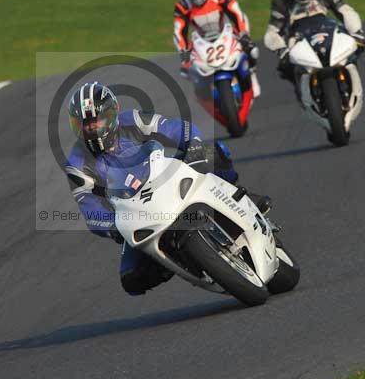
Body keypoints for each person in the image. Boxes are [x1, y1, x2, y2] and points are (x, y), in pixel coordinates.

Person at [64, 81, 241, 295]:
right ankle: (178, 259)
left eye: (96, 119)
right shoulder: (77, 163)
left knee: (214, 152)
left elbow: (178, 129)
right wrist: (111, 227)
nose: (91, 127)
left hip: (168, 178)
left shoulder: (133, 120)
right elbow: (89, 208)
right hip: (137, 210)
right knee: (131, 279)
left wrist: (192, 144)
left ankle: (237, 198)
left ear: (113, 113)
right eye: (85, 123)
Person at [263, 0, 365, 82]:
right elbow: (271, 33)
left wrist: (357, 32)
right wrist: (282, 51)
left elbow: (345, 11)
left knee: (357, 47)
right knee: (285, 68)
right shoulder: (281, 1)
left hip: (328, 28)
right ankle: (302, 90)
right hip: (297, 37)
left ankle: (352, 76)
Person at [173, 0, 258, 77]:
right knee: (188, 73)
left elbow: (237, 14)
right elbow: (178, 32)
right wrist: (184, 54)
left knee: (252, 51)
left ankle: (252, 74)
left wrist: (244, 35)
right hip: (201, 42)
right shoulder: (183, 6)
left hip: (226, 34)